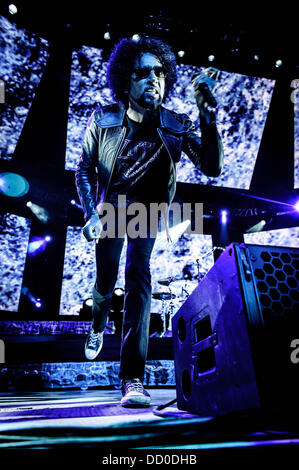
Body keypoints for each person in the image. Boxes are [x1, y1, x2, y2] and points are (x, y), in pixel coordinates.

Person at [75, 36, 223, 407]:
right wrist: (91, 212)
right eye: (143, 73)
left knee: (139, 277)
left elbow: (212, 166)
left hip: (147, 212)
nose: (153, 79)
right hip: (111, 209)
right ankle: (97, 324)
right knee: (105, 281)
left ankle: (132, 379)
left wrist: (207, 117)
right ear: (126, 80)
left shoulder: (176, 124)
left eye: (159, 72)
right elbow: (84, 168)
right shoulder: (104, 120)